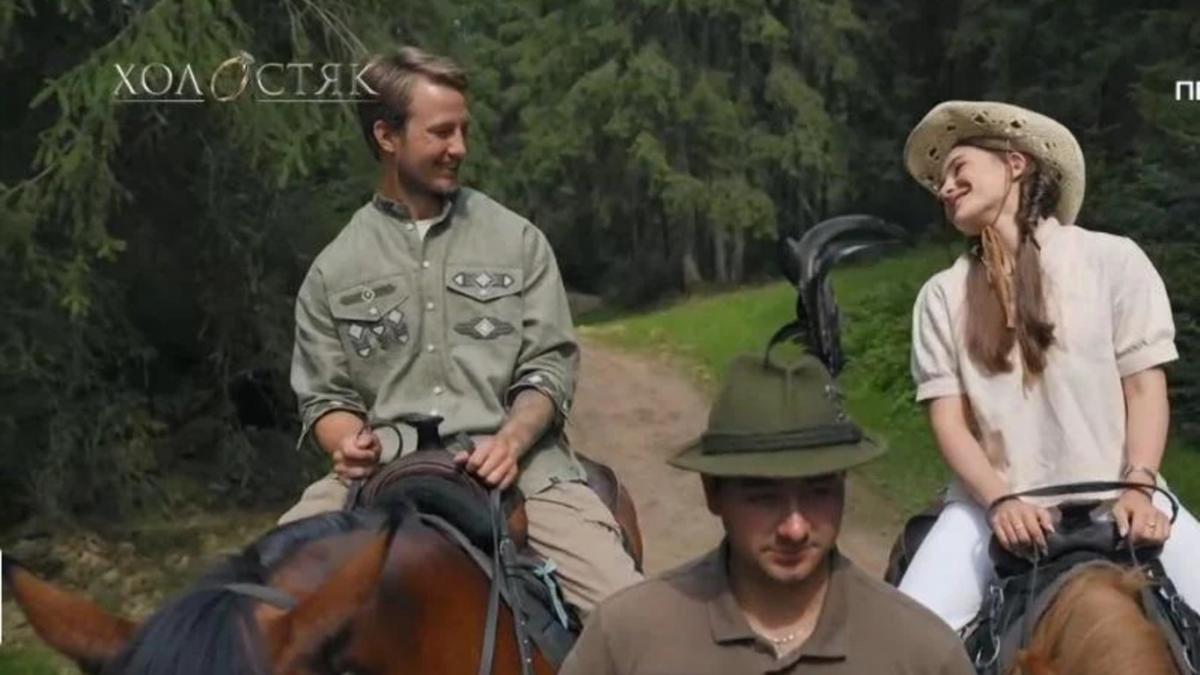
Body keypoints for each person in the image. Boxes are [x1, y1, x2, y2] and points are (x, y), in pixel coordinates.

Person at [277, 46, 641, 618]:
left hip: (524, 476)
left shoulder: (517, 241)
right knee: (249, 615)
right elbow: (326, 397)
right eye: (442, 132)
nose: (460, 148)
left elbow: (548, 366)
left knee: (638, 623)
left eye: (464, 130)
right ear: (387, 136)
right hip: (377, 476)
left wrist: (512, 442)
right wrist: (345, 440)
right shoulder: (333, 268)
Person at [897, 100, 1200, 630]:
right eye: (939, 182)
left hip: (1121, 495)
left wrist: (1140, 487)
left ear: (1015, 163)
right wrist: (998, 502)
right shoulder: (942, 296)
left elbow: (1145, 391)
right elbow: (949, 422)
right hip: (987, 511)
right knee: (903, 643)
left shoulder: (1114, 261)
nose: (944, 188)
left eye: (958, 168)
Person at [561, 341, 975, 674]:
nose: (794, 528)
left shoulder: (920, 652)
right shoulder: (628, 637)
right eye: (763, 496)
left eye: (818, 492)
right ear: (713, 493)